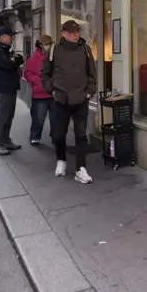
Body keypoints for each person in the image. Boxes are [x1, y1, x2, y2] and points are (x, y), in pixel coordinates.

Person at [41, 20, 97, 183]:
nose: (75, 35)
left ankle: (81, 168)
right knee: (59, 134)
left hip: (80, 99)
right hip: (60, 99)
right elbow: (45, 73)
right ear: (63, 34)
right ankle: (61, 160)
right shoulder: (54, 50)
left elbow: (92, 74)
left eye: (77, 32)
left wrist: (89, 92)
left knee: (81, 135)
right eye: (72, 32)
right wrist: (51, 90)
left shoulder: (85, 50)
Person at [0, 27, 25, 155]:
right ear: (2, 37)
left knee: (9, 116)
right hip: (3, 87)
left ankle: (6, 140)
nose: (12, 39)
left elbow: (20, 58)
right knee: (2, 116)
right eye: (10, 36)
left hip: (10, 86)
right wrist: (14, 61)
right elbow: (8, 64)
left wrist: (15, 60)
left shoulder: (5, 49)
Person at [23, 34, 54, 146]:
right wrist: (37, 81)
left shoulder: (54, 57)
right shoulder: (33, 59)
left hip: (54, 93)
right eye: (47, 44)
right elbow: (27, 73)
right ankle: (35, 136)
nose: (49, 46)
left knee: (55, 118)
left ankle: (55, 137)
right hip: (40, 94)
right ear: (40, 45)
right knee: (39, 117)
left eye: (50, 44)